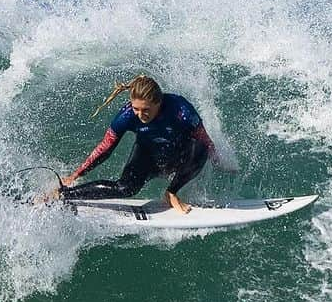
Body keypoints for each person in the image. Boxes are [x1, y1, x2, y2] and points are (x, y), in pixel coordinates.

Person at [57, 75, 226, 214]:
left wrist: (218, 162)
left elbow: (204, 140)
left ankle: (171, 192)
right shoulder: (126, 115)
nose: (140, 114)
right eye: (136, 108)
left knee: (201, 148)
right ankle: (63, 195)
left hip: (178, 157)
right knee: (125, 188)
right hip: (148, 155)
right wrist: (75, 175)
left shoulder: (181, 110)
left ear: (159, 103)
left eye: (146, 110)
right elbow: (105, 149)